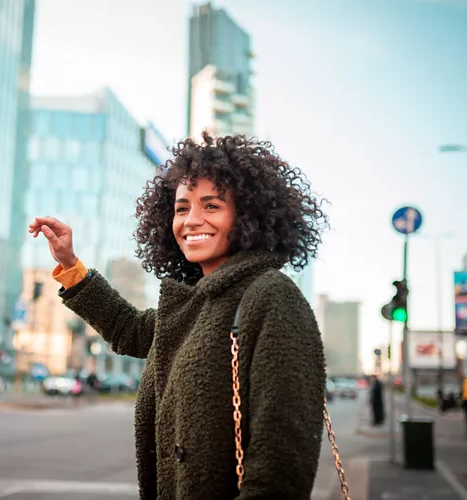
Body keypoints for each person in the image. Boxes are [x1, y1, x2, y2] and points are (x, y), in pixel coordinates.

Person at [29, 133, 329, 499]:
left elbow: (281, 465)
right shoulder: (194, 303)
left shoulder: (271, 297)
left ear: (249, 216)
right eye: (182, 208)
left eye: (212, 205)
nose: (192, 220)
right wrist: (71, 266)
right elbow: (129, 330)